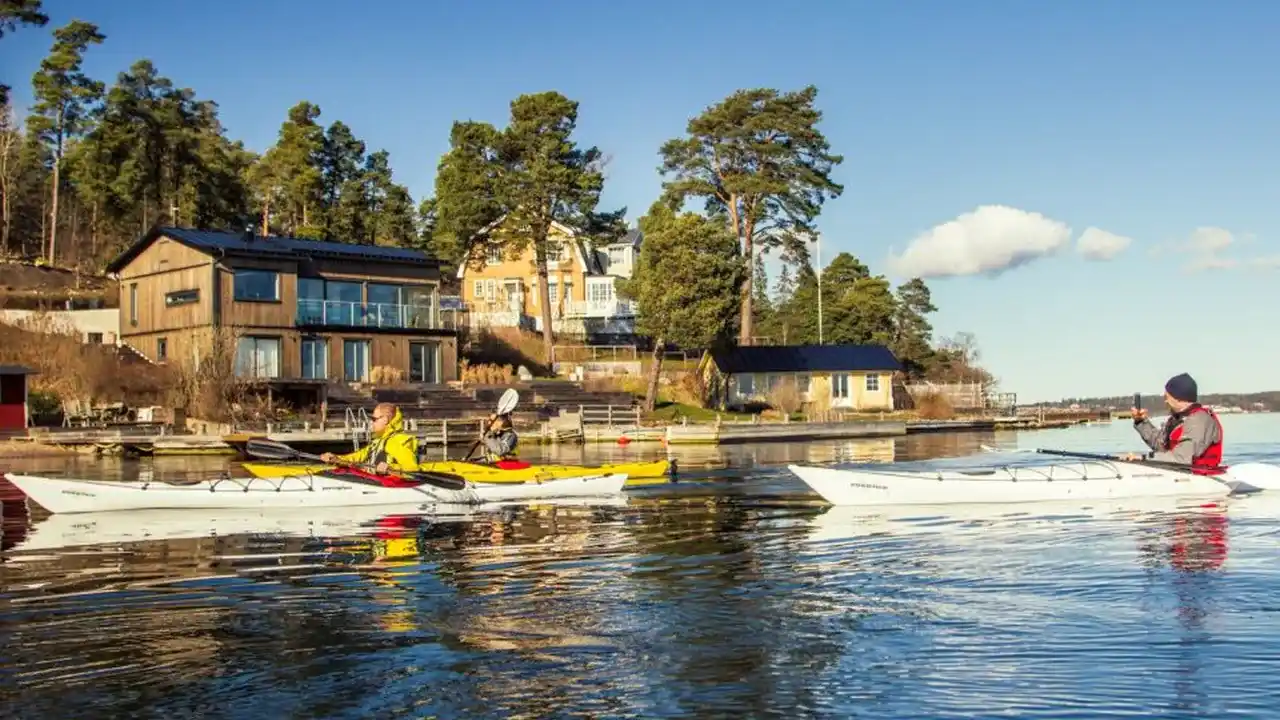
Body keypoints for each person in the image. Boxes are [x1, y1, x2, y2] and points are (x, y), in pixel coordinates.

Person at [1120, 372, 1224, 474]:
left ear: (1178, 398)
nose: (1165, 401)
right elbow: (1161, 446)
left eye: (1167, 397)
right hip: (1178, 475)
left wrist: (1142, 458)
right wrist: (1141, 422)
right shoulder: (1177, 419)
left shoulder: (1199, 421)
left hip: (1201, 479)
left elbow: (1181, 459)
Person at [320, 402, 419, 474]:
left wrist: (391, 467)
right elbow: (357, 457)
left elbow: (412, 468)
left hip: (391, 489)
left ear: (385, 420)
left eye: (374, 419)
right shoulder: (378, 442)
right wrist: (336, 459)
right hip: (374, 483)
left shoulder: (396, 442)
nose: (372, 422)